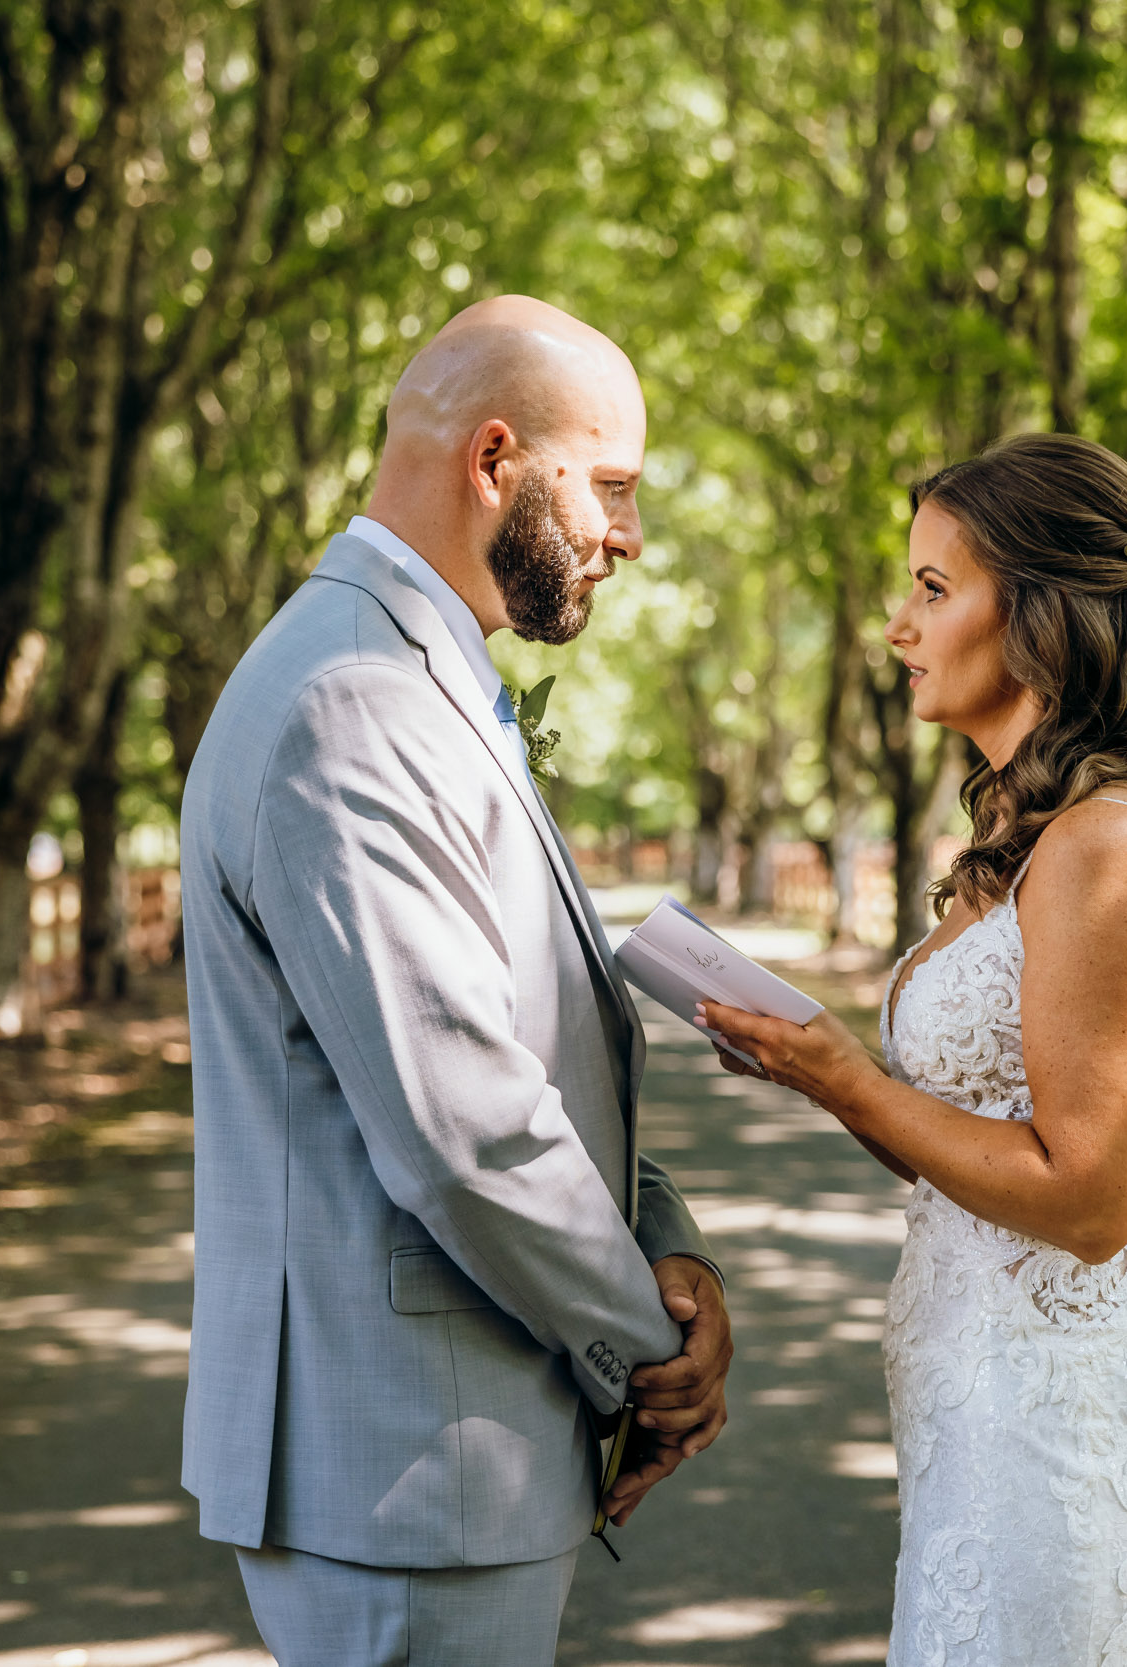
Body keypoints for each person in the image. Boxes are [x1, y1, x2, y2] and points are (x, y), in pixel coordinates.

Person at [178, 295, 733, 1666]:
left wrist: (665, 1239)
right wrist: (644, 1349)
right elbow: (467, 1125)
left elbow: (532, 1038)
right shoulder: (351, 701)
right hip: (406, 1469)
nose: (631, 536)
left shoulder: (412, 675)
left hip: (446, 1457)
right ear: (496, 461)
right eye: (609, 486)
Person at [702, 432, 1127, 1666]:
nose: (898, 626)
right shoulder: (1044, 831)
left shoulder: (1103, 851)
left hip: (1057, 1451)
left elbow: (1090, 1199)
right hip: (988, 1431)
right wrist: (821, 1080)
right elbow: (998, 1165)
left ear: (1044, 614)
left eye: (934, 590)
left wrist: (846, 1074)